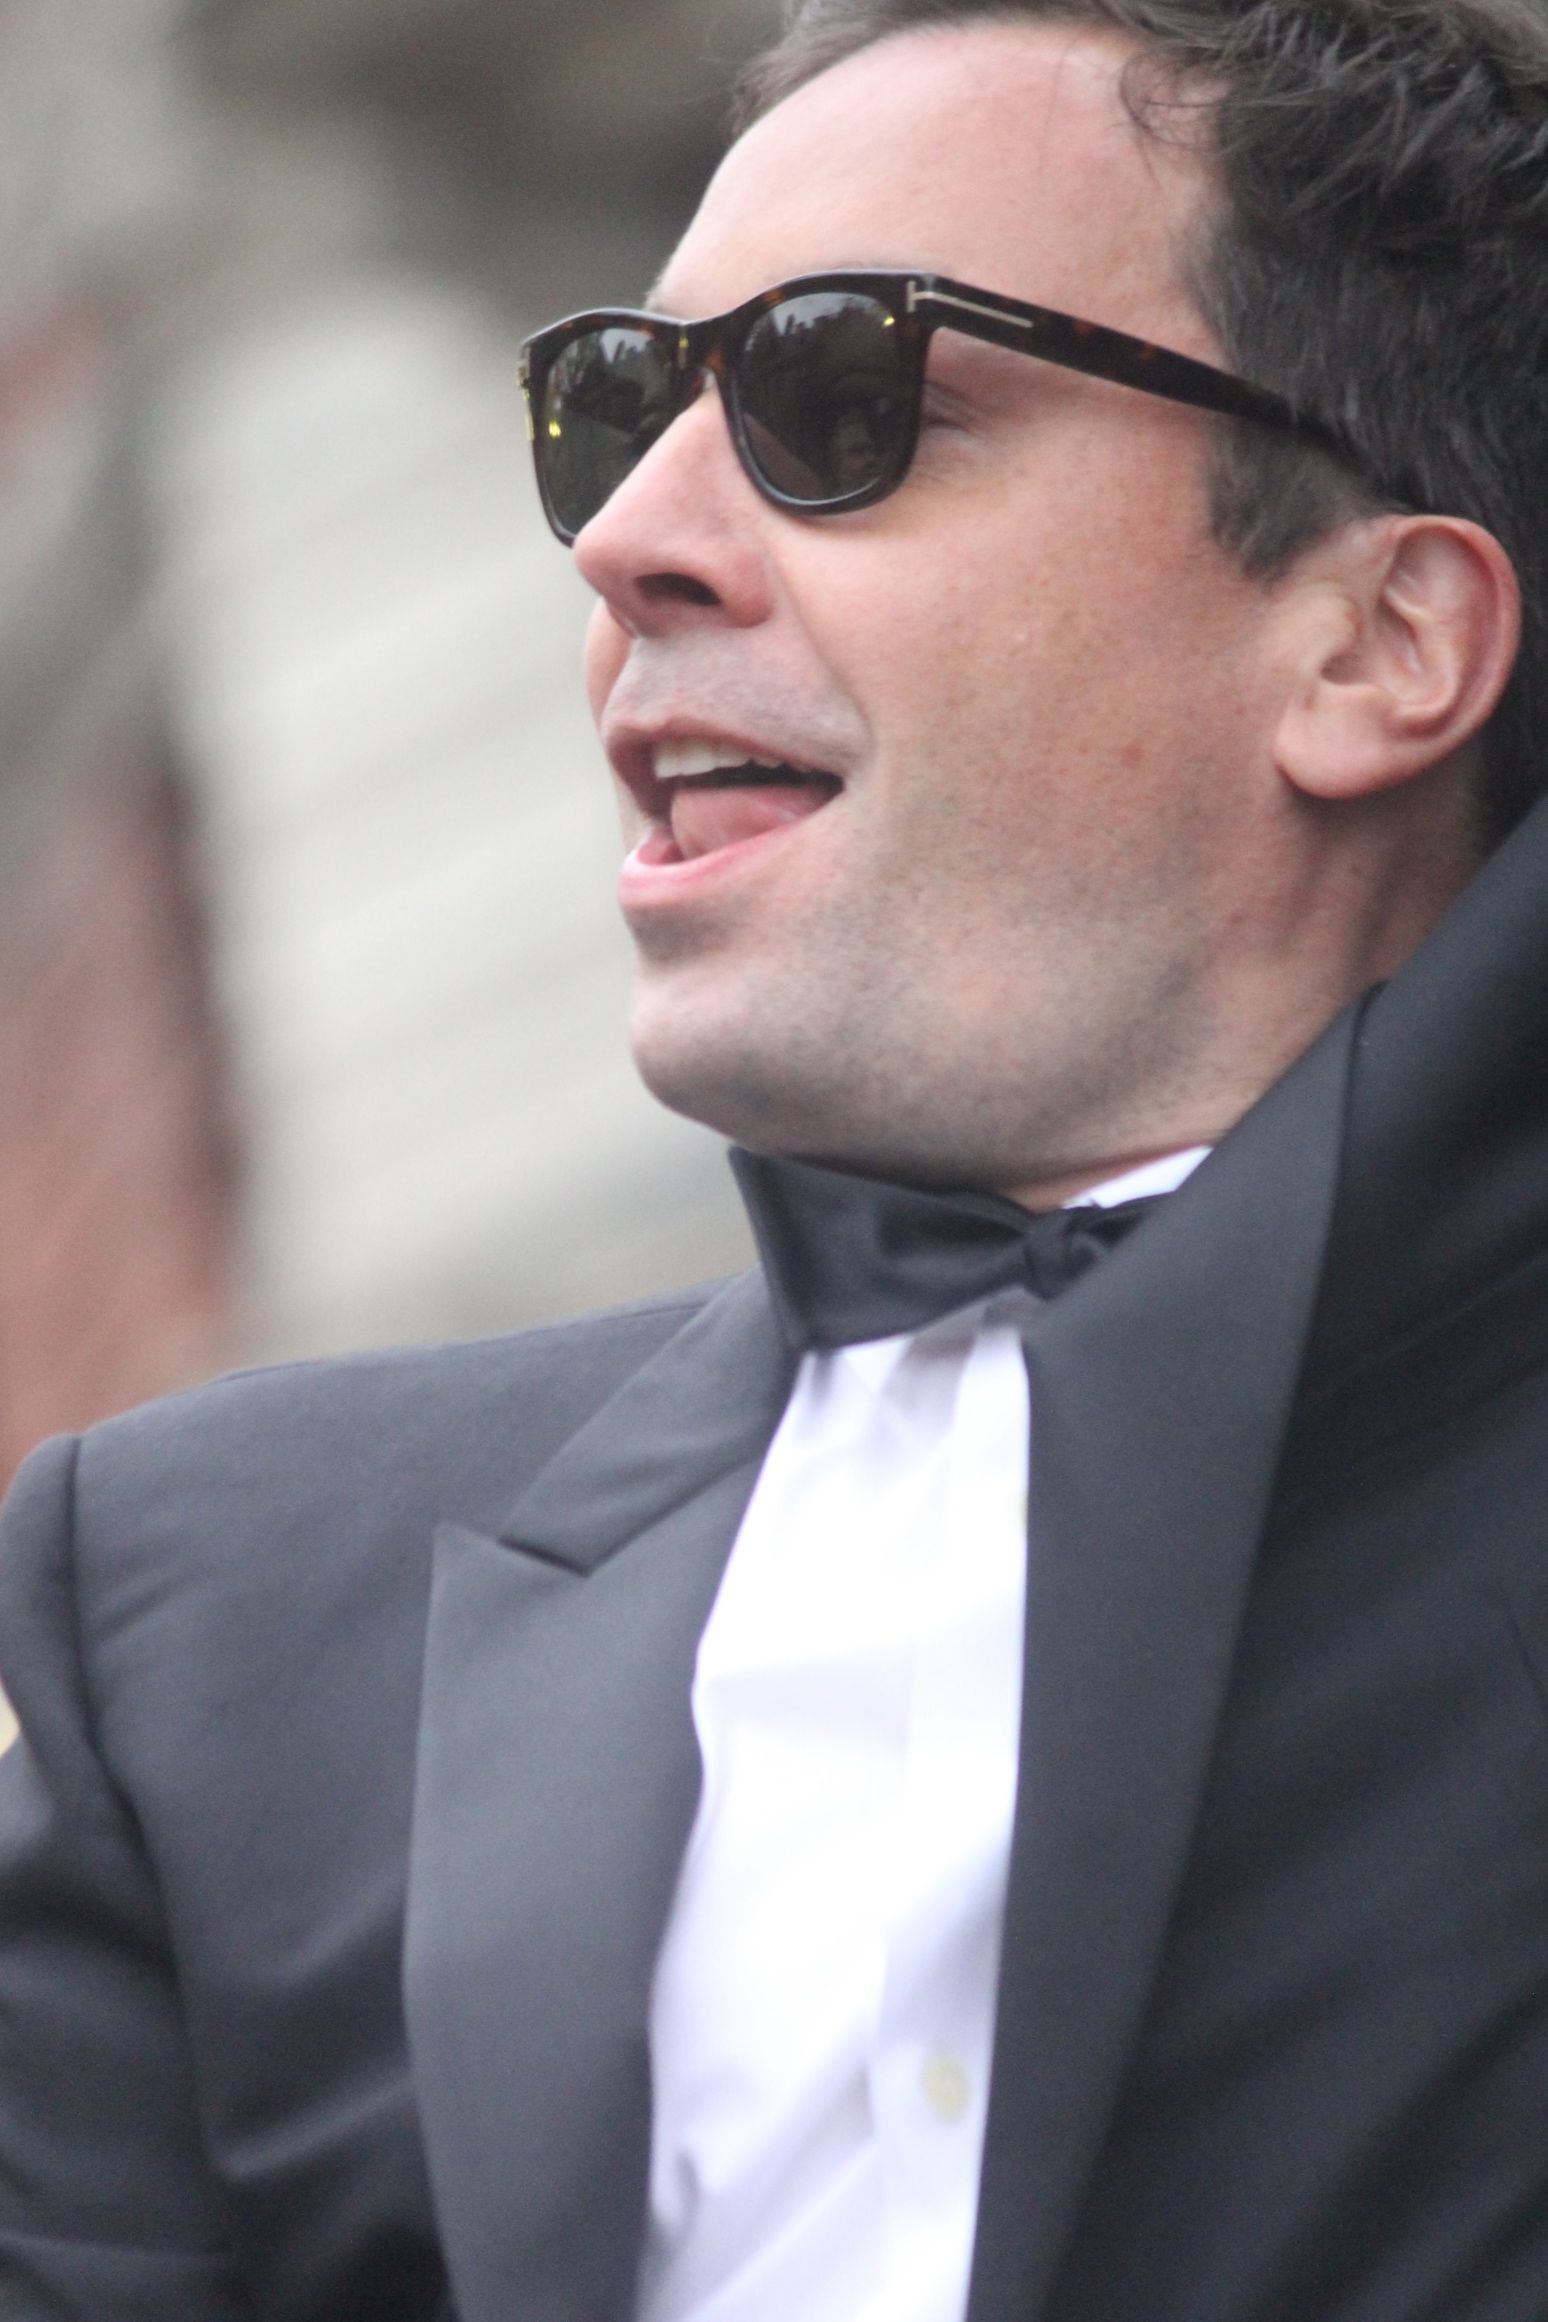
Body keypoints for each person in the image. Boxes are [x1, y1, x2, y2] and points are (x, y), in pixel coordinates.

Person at [4, 0, 1548, 2315]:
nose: (629, 539)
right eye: (614, 409)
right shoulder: (200, 1616)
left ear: (1378, 643)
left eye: (848, 398)